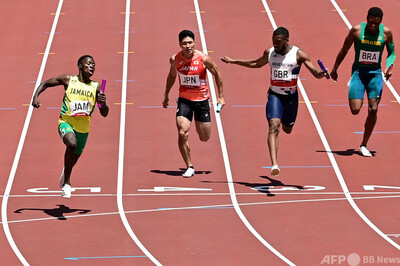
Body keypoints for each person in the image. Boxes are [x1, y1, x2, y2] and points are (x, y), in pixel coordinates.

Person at [221, 27, 328, 177]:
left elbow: (315, 72)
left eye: (278, 42)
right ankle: (274, 164)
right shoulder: (270, 52)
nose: (275, 45)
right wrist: (234, 61)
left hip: (291, 98)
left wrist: (321, 73)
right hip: (274, 96)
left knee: (287, 129)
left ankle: (286, 124)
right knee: (273, 126)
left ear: (286, 40)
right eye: (273, 42)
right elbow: (256, 63)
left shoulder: (298, 55)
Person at [31, 55, 109, 198]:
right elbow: (45, 83)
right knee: (71, 144)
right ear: (80, 66)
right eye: (89, 64)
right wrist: (35, 96)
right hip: (66, 122)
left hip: (83, 130)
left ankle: (66, 172)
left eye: (94, 65)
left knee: (73, 159)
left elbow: (104, 113)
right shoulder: (68, 80)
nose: (92, 66)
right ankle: (67, 184)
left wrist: (103, 104)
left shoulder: (97, 87)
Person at [331, 7, 395, 157]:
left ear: (380, 22)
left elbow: (391, 52)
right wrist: (335, 69)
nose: (373, 25)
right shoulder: (356, 31)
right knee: (355, 110)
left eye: (376, 23)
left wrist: (389, 66)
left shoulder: (386, 33)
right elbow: (344, 50)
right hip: (359, 73)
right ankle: (354, 84)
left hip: (375, 74)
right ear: (367, 19)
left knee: (373, 109)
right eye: (370, 22)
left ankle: (364, 144)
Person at [163, 30, 225, 177]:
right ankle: (189, 166)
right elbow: (171, 76)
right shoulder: (175, 59)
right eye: (184, 43)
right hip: (184, 100)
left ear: (194, 43)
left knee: (204, 137)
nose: (188, 46)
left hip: (202, 101)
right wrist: (166, 94)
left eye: (190, 42)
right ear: (180, 45)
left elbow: (217, 73)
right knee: (182, 132)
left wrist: (221, 96)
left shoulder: (204, 59)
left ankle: (201, 123)